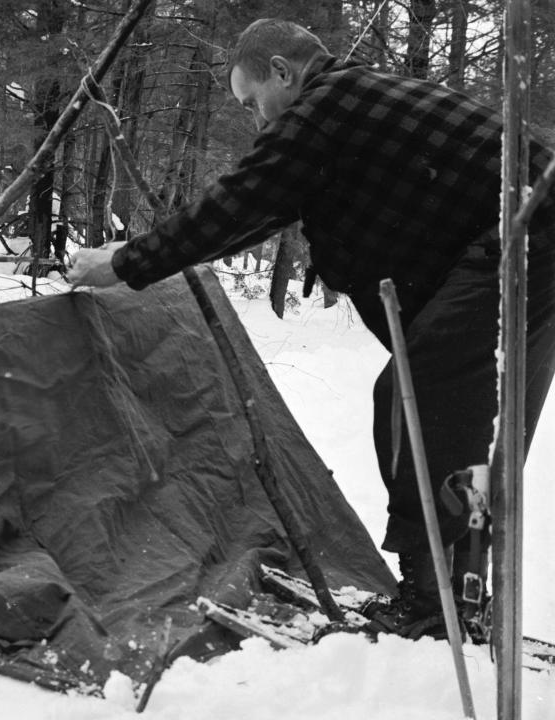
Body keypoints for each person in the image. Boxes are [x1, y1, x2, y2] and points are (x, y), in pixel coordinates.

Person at [68, 18, 555, 639]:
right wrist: (153, 257)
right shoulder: (357, 104)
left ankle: (436, 602)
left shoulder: (326, 107)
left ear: (282, 71)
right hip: (535, 239)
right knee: (470, 426)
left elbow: (238, 201)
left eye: (253, 103)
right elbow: (263, 212)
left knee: (419, 405)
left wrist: (122, 264)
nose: (258, 121)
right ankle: (463, 590)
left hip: (524, 239)